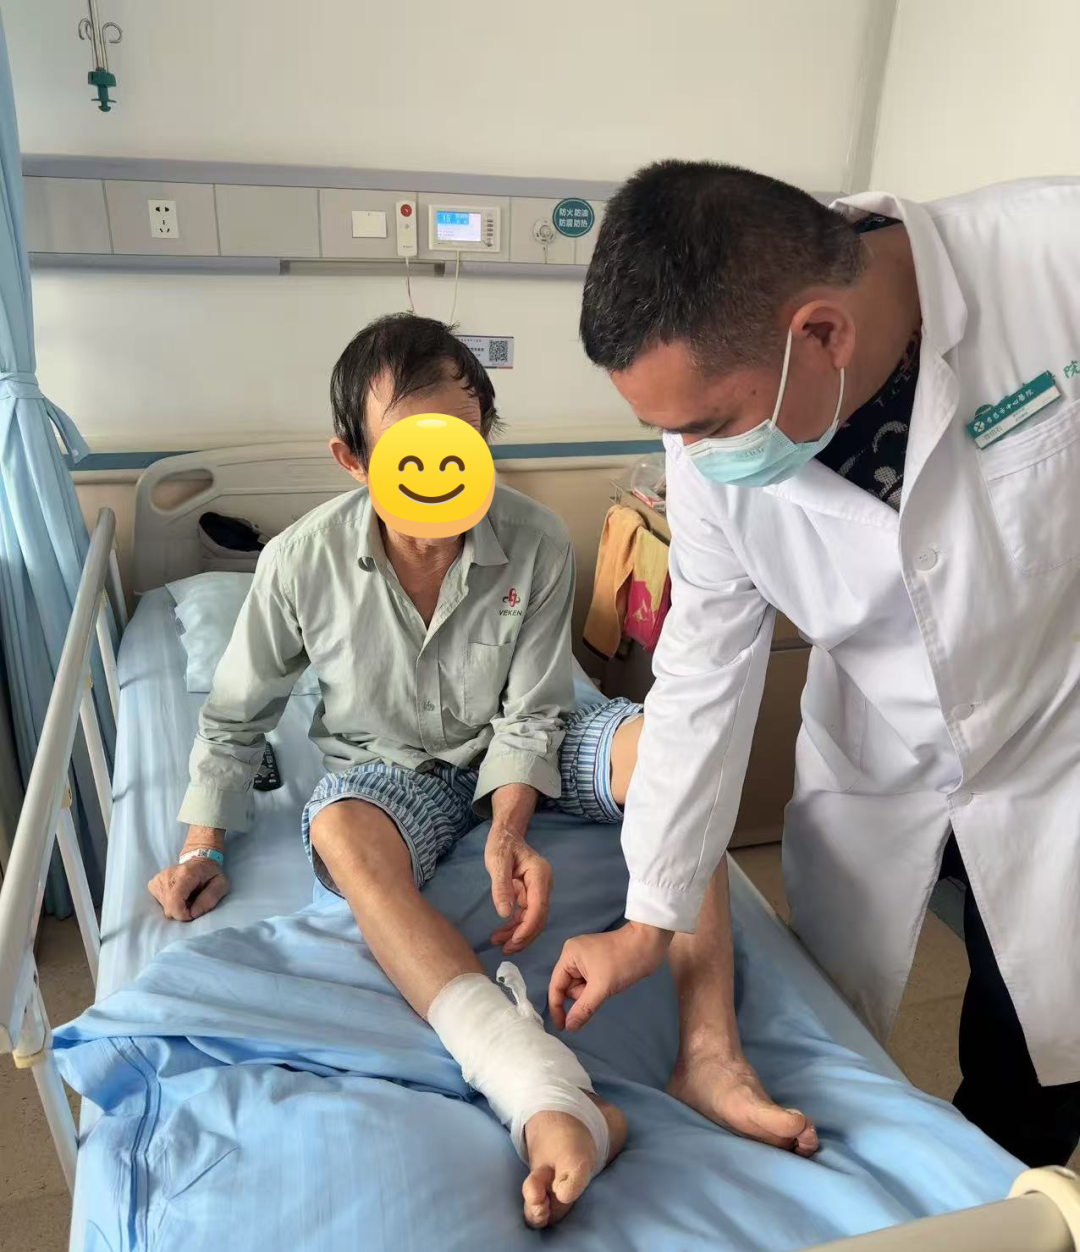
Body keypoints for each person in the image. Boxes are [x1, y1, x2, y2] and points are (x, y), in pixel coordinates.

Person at [549, 161, 1080, 1167]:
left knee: (1041, 1043)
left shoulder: (1056, 261)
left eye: (708, 425)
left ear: (823, 334)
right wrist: (649, 914)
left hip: (1059, 746)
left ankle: (1007, 1184)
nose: (691, 457)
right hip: (880, 754)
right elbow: (702, 673)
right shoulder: (711, 451)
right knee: (837, 1019)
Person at [148, 313, 626, 1227]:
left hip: (523, 741)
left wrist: (511, 826)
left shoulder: (536, 540)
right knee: (337, 826)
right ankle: (537, 1087)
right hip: (389, 770)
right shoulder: (300, 563)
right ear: (354, 458)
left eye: (464, 438)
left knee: (668, 750)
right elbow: (238, 714)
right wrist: (203, 843)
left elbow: (534, 711)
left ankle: (714, 1053)